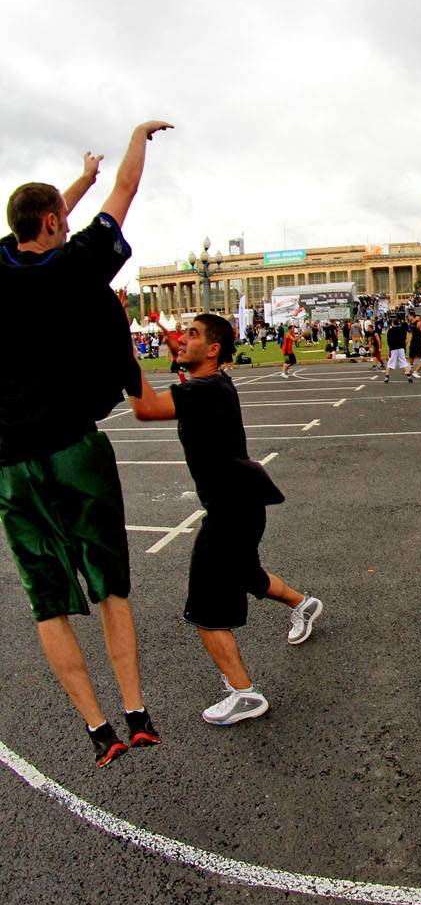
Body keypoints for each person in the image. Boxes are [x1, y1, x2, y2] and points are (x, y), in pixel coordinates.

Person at [0, 121, 171, 766]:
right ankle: (136, 712)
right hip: (73, 447)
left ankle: (98, 730)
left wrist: (77, 182)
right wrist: (136, 138)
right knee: (109, 585)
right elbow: (127, 190)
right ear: (52, 223)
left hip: (10, 461)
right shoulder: (75, 267)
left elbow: (40, 219)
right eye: (62, 219)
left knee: (47, 600)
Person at [127, 314, 323, 724]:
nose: (181, 339)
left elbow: (145, 408)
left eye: (192, 334)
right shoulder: (214, 382)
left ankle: (244, 694)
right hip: (244, 502)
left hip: (230, 509)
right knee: (246, 574)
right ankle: (303, 605)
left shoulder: (203, 390)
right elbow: (184, 372)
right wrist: (176, 346)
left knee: (205, 607)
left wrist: (122, 358)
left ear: (213, 349)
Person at [385, 314, 411, 382]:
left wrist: (390, 347)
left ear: (392, 323)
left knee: (390, 362)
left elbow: (389, 341)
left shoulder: (390, 331)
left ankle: (387, 376)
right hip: (401, 348)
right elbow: (404, 339)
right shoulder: (402, 330)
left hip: (393, 348)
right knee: (404, 362)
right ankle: (408, 375)